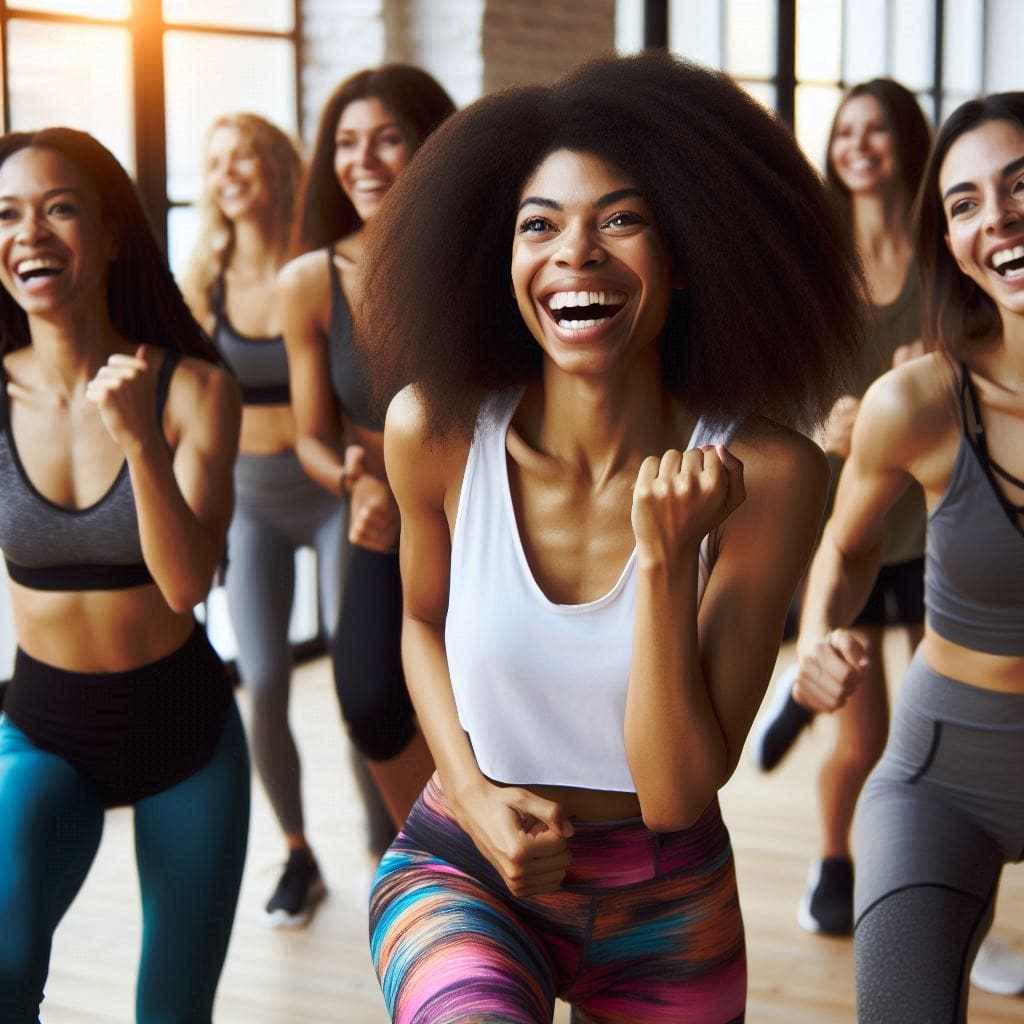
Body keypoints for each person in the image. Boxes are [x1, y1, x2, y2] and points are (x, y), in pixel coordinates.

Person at [363, 52, 864, 1022]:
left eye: (619, 220)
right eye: (538, 225)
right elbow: (419, 623)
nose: (575, 254)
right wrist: (468, 790)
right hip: (464, 861)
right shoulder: (435, 429)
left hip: (667, 898)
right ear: (499, 260)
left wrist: (669, 560)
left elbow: (677, 793)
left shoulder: (767, 473)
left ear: (682, 257)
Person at [0, 128, 249, 1021]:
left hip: (183, 733)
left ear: (109, 238)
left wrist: (141, 440)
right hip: (43, 732)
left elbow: (187, 585)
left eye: (60, 208)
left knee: (171, 1013)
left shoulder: (194, 393)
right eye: (7, 214)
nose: (31, 233)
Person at [790, 92, 1024, 1023]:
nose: (996, 217)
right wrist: (813, 634)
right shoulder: (918, 400)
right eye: (964, 204)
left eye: (1018, 187)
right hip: (942, 771)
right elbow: (844, 550)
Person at [181, 112, 391, 927]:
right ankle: (299, 854)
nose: (228, 173)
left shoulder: (323, 263)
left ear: (276, 166)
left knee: (356, 677)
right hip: (250, 499)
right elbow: (187, 400)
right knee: (264, 682)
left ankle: (386, 853)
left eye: (243, 157)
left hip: (340, 488)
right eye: (215, 161)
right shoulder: (205, 278)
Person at [752, 79, 932, 937]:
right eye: (846, 131)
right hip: (847, 519)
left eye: (878, 130)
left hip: (933, 518)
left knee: (935, 730)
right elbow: (771, 382)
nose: (859, 145)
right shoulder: (816, 258)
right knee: (863, 737)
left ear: (909, 142)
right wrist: (818, 424)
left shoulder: (947, 253)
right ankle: (833, 859)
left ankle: (929, 870)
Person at [278, 65, 455, 830]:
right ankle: (441, 862)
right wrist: (355, 481)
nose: (364, 161)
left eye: (389, 140)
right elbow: (310, 437)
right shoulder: (310, 281)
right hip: (389, 513)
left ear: (432, 148)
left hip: (487, 509)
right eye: (347, 144)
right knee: (374, 700)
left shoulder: (477, 260)